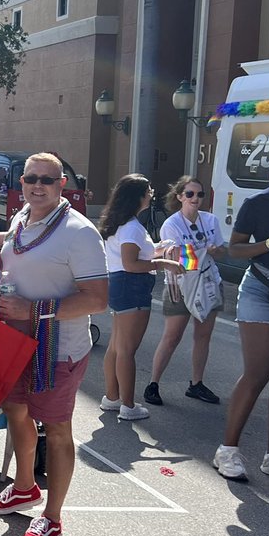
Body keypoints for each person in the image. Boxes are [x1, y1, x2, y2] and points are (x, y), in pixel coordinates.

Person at [0, 153, 107, 536]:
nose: (38, 186)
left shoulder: (80, 232)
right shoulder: (24, 218)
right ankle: (24, 487)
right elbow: (13, 248)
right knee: (16, 412)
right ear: (21, 183)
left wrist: (34, 310)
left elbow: (97, 300)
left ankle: (52, 517)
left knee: (56, 430)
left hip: (59, 350)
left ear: (62, 186)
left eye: (47, 180)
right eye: (31, 179)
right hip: (15, 342)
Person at [97, 174, 182, 421]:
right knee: (126, 350)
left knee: (116, 346)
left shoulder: (122, 223)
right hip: (131, 286)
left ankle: (112, 398)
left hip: (121, 285)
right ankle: (128, 404)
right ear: (139, 196)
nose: (152, 193)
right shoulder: (132, 227)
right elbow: (132, 263)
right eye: (149, 190)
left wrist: (158, 248)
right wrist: (165, 263)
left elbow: (134, 254)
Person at [215, 177, 269, 482]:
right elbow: (235, 249)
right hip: (259, 288)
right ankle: (227, 449)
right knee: (259, 370)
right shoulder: (258, 203)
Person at [145, 176, 226, 406]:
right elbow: (176, 256)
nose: (195, 199)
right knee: (172, 337)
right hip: (179, 285)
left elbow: (221, 252)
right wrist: (201, 251)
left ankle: (196, 384)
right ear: (179, 197)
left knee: (203, 336)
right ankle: (153, 384)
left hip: (209, 282)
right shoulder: (172, 224)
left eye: (200, 194)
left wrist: (213, 250)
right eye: (190, 194)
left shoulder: (210, 220)